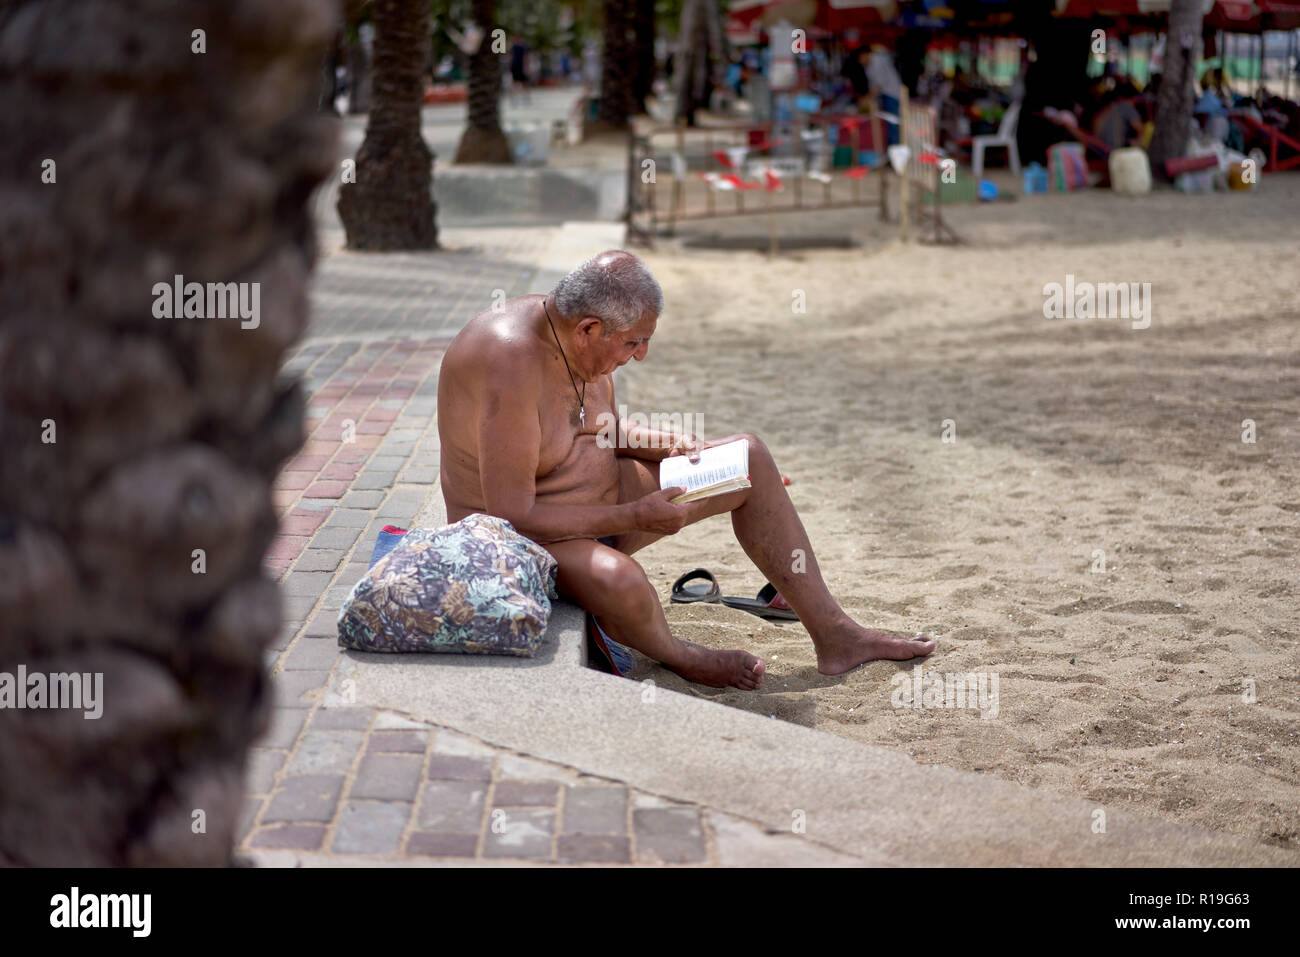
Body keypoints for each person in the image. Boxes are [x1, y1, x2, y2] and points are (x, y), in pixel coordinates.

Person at [437, 251, 937, 690]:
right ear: (589, 329)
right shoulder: (510, 363)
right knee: (624, 581)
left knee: (747, 458)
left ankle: (836, 636)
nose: (642, 355)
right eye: (634, 343)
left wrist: (672, 446)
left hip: (601, 502)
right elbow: (511, 516)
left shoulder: (575, 336)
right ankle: (681, 656)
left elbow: (596, 427)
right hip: (528, 540)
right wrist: (635, 514)